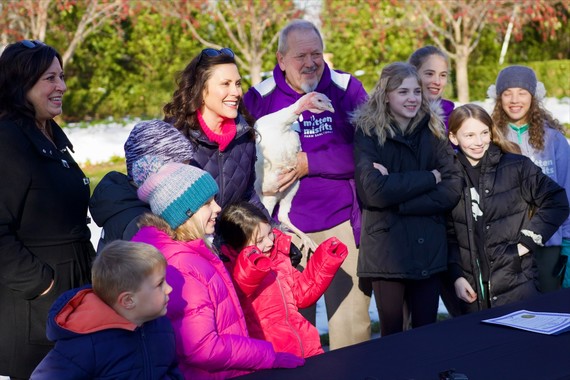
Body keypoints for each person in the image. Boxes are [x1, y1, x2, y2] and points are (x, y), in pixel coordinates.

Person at [244, 19, 371, 350]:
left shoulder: (347, 88)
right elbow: (241, 155)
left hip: (342, 223)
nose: (311, 62)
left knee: (351, 327)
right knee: (290, 329)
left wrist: (309, 164)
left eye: (317, 53)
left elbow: (370, 149)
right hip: (281, 231)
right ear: (281, 59)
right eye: (301, 56)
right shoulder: (259, 98)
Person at [130, 156, 304, 379]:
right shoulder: (181, 264)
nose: (218, 208)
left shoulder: (188, 251)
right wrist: (268, 357)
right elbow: (202, 347)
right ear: (186, 212)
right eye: (207, 203)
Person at [0, 40, 95, 379]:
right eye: (50, 78)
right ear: (21, 83)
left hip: (74, 295)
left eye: (62, 76)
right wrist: (44, 286)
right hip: (36, 309)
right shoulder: (8, 140)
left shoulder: (52, 136)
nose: (62, 87)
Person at [352, 62, 462, 336]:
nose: (412, 98)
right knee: (392, 334)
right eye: (403, 92)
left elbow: (452, 186)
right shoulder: (367, 133)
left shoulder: (434, 130)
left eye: (416, 91)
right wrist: (428, 178)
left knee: (426, 332)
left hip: (428, 246)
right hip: (387, 250)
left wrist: (399, 199)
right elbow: (373, 192)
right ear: (385, 94)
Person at [446, 104, 569, 314]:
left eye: (484, 133)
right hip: (472, 290)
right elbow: (448, 233)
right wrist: (456, 276)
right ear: (454, 138)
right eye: (469, 135)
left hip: (517, 282)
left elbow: (557, 200)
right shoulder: (448, 175)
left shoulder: (517, 166)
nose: (478, 142)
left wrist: (526, 243)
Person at [129, 47, 267, 222]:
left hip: (230, 245)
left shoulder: (244, 135)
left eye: (238, 83)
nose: (236, 92)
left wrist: (275, 235)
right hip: (187, 246)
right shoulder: (172, 140)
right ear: (201, 90)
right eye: (226, 84)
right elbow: (158, 215)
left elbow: (248, 199)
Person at [31, 240, 182, 379]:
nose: (169, 289)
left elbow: (170, 370)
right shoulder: (88, 343)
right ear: (128, 300)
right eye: (159, 284)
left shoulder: (161, 326)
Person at [218, 201, 347, 358]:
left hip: (306, 345)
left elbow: (301, 296)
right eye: (259, 241)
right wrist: (253, 265)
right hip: (272, 355)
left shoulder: (278, 258)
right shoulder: (233, 271)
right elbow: (239, 293)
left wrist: (325, 261)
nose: (270, 242)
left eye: (270, 233)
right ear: (237, 246)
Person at [488, 65, 570, 292]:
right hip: (507, 243)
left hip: (548, 243)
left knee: (550, 312)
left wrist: (567, 242)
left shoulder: (554, 140)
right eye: (507, 93)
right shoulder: (491, 138)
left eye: (522, 92)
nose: (515, 99)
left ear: (533, 97)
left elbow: (566, 189)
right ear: (498, 97)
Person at [89, 120, 195, 253]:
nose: (184, 178)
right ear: (149, 170)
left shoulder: (130, 205)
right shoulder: (140, 223)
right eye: (179, 171)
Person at [408, 45, 455, 128]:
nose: (437, 82)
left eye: (443, 75)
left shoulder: (455, 120)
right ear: (413, 74)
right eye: (429, 74)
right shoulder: (395, 117)